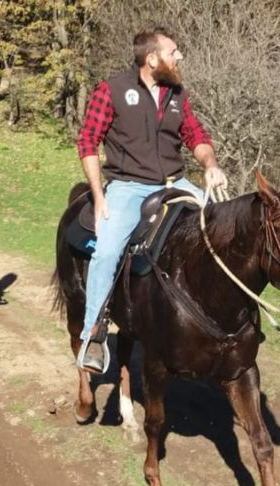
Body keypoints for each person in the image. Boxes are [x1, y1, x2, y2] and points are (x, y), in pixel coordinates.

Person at [75, 26, 228, 374]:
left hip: (177, 183)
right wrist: (100, 196)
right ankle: (93, 335)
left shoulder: (177, 93)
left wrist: (211, 165)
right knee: (108, 252)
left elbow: (196, 135)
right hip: (130, 188)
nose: (180, 57)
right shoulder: (111, 90)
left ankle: (222, 318)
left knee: (221, 227)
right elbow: (88, 141)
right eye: (174, 51)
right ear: (153, 58)